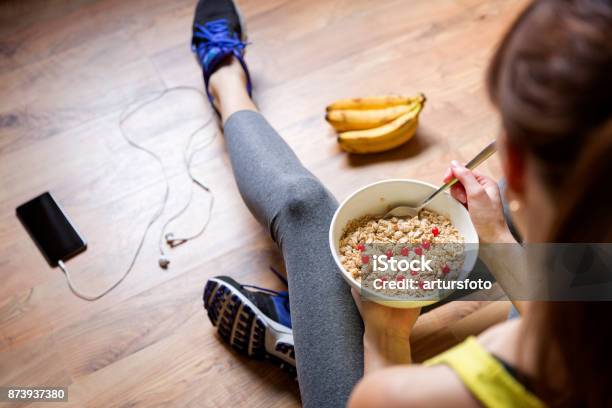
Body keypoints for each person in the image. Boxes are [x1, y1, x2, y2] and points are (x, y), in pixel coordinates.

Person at [192, 0, 612, 407]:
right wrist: (496, 234)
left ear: (515, 164)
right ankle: (316, 320)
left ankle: (225, 79)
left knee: (304, 207)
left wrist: (384, 334)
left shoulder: (421, 396)